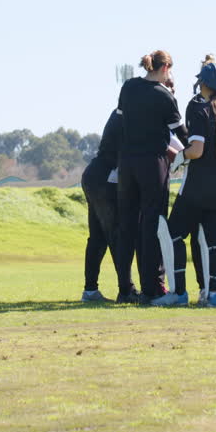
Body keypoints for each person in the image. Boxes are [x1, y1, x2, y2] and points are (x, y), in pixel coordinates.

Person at [152, 56, 216, 307]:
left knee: (173, 234)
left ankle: (178, 293)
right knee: (213, 240)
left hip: (197, 187)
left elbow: (197, 149)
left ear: (204, 83)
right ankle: (214, 294)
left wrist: (181, 156)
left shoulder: (196, 106)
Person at [116, 50, 188, 304]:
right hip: (152, 163)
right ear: (166, 67)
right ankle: (153, 286)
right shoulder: (164, 96)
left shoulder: (129, 87)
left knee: (127, 225)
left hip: (127, 162)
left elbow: (122, 120)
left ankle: (125, 288)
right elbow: (182, 133)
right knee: (153, 224)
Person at [79, 109, 141, 303]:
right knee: (116, 235)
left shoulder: (121, 112)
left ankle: (90, 291)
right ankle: (126, 290)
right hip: (104, 178)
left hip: (94, 174)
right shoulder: (131, 114)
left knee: (98, 238)